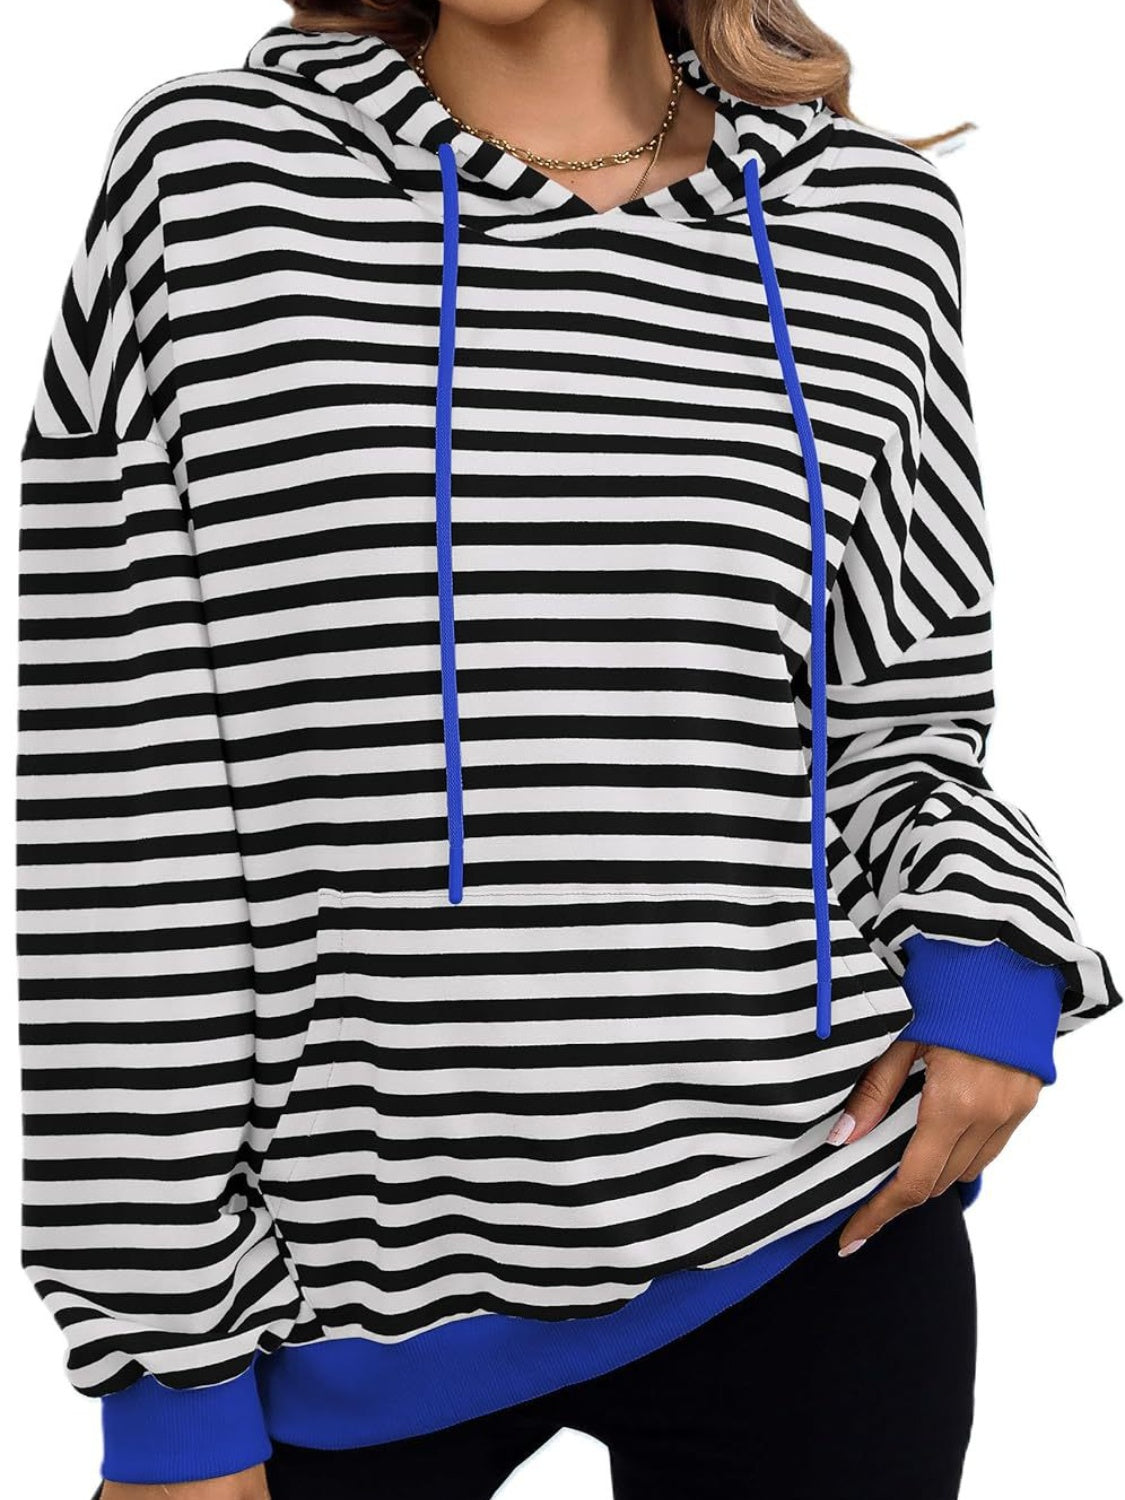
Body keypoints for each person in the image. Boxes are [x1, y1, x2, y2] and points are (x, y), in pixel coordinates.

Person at [17, 3, 1119, 1498]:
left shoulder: (871, 222)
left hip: (815, 1224)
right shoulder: (214, 182)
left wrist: (987, 963)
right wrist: (166, 1372)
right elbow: (122, 794)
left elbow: (897, 717)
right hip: (339, 1291)